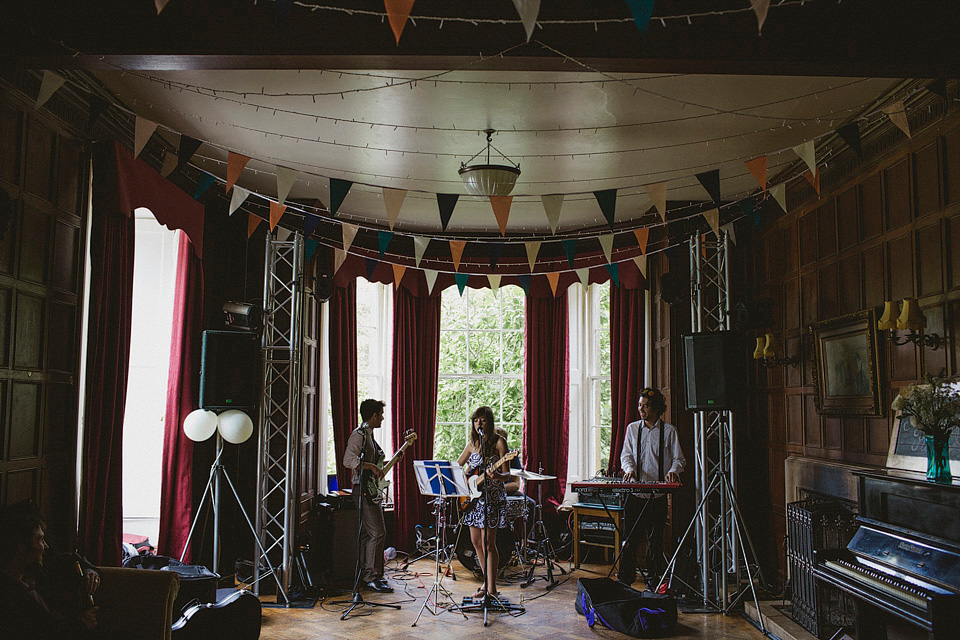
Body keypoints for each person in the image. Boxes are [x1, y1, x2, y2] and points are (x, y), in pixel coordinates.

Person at [618, 387, 685, 587]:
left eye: (645, 406)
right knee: (630, 540)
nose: (641, 409)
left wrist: (673, 471)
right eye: (640, 405)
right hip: (635, 494)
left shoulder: (669, 431)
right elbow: (626, 455)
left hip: (657, 497)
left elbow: (679, 460)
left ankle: (653, 582)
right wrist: (629, 469)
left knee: (656, 542)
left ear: (656, 408)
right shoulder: (632, 429)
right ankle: (624, 581)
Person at [0, 508, 100, 639]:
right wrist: (81, 624)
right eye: (40, 540)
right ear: (21, 547)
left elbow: (71, 558)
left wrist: (89, 571)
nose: (46, 546)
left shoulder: (38, 570)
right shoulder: (9, 597)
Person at [457, 406, 511, 600]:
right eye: (476, 420)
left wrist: (497, 475)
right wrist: (465, 479)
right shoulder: (472, 444)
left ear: (490, 422)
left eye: (483, 420)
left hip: (492, 498)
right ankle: (486, 582)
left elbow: (507, 474)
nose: (479, 423)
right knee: (476, 542)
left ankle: (492, 588)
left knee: (489, 543)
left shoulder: (499, 442)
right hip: (473, 499)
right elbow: (458, 467)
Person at [343, 398, 394, 594]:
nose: (382, 418)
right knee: (378, 532)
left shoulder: (369, 435)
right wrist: (370, 466)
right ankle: (372, 576)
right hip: (362, 490)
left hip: (368, 490)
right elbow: (348, 460)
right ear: (373, 416)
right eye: (380, 414)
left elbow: (375, 463)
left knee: (368, 534)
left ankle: (368, 573)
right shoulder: (359, 435)